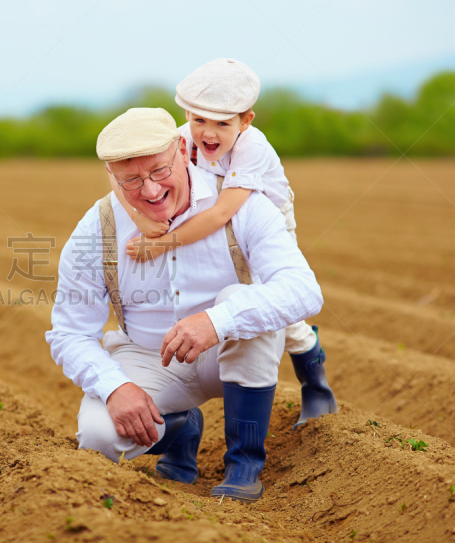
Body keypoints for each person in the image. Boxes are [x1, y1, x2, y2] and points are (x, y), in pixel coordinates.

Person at [46, 107, 324, 503]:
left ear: (181, 147)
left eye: (160, 171)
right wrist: (115, 387)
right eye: (132, 180)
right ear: (111, 175)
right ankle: (178, 428)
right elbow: (71, 332)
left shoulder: (240, 202)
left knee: (242, 303)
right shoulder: (98, 227)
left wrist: (218, 321)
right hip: (150, 357)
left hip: (228, 351)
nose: (151, 191)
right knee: (99, 437)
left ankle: (244, 462)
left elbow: (303, 289)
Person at [109, 58, 336, 429]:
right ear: (186, 113)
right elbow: (120, 171)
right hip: (210, 217)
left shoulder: (252, 148)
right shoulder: (180, 139)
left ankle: (317, 387)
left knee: (279, 311)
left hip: (262, 218)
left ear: (246, 121)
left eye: (221, 123)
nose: (207, 133)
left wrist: (161, 243)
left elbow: (222, 213)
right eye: (199, 120)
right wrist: (142, 221)